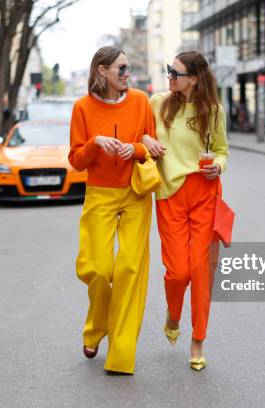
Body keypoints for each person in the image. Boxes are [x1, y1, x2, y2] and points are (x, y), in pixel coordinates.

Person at [69, 46, 156, 375]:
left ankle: (121, 355)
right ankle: (95, 327)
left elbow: (152, 146)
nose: (126, 74)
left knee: (129, 272)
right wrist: (95, 144)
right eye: (120, 69)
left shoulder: (140, 102)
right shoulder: (82, 108)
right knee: (98, 269)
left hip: (135, 192)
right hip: (100, 194)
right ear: (101, 71)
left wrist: (132, 148)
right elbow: (75, 159)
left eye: (127, 68)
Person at [143, 51, 228, 372]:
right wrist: (145, 137)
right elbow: (137, 132)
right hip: (170, 196)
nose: (170, 76)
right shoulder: (157, 103)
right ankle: (173, 312)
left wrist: (217, 167)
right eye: (169, 70)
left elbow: (222, 151)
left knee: (201, 273)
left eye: (175, 73)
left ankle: (198, 340)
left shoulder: (213, 111)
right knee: (178, 272)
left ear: (194, 78)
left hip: (205, 194)